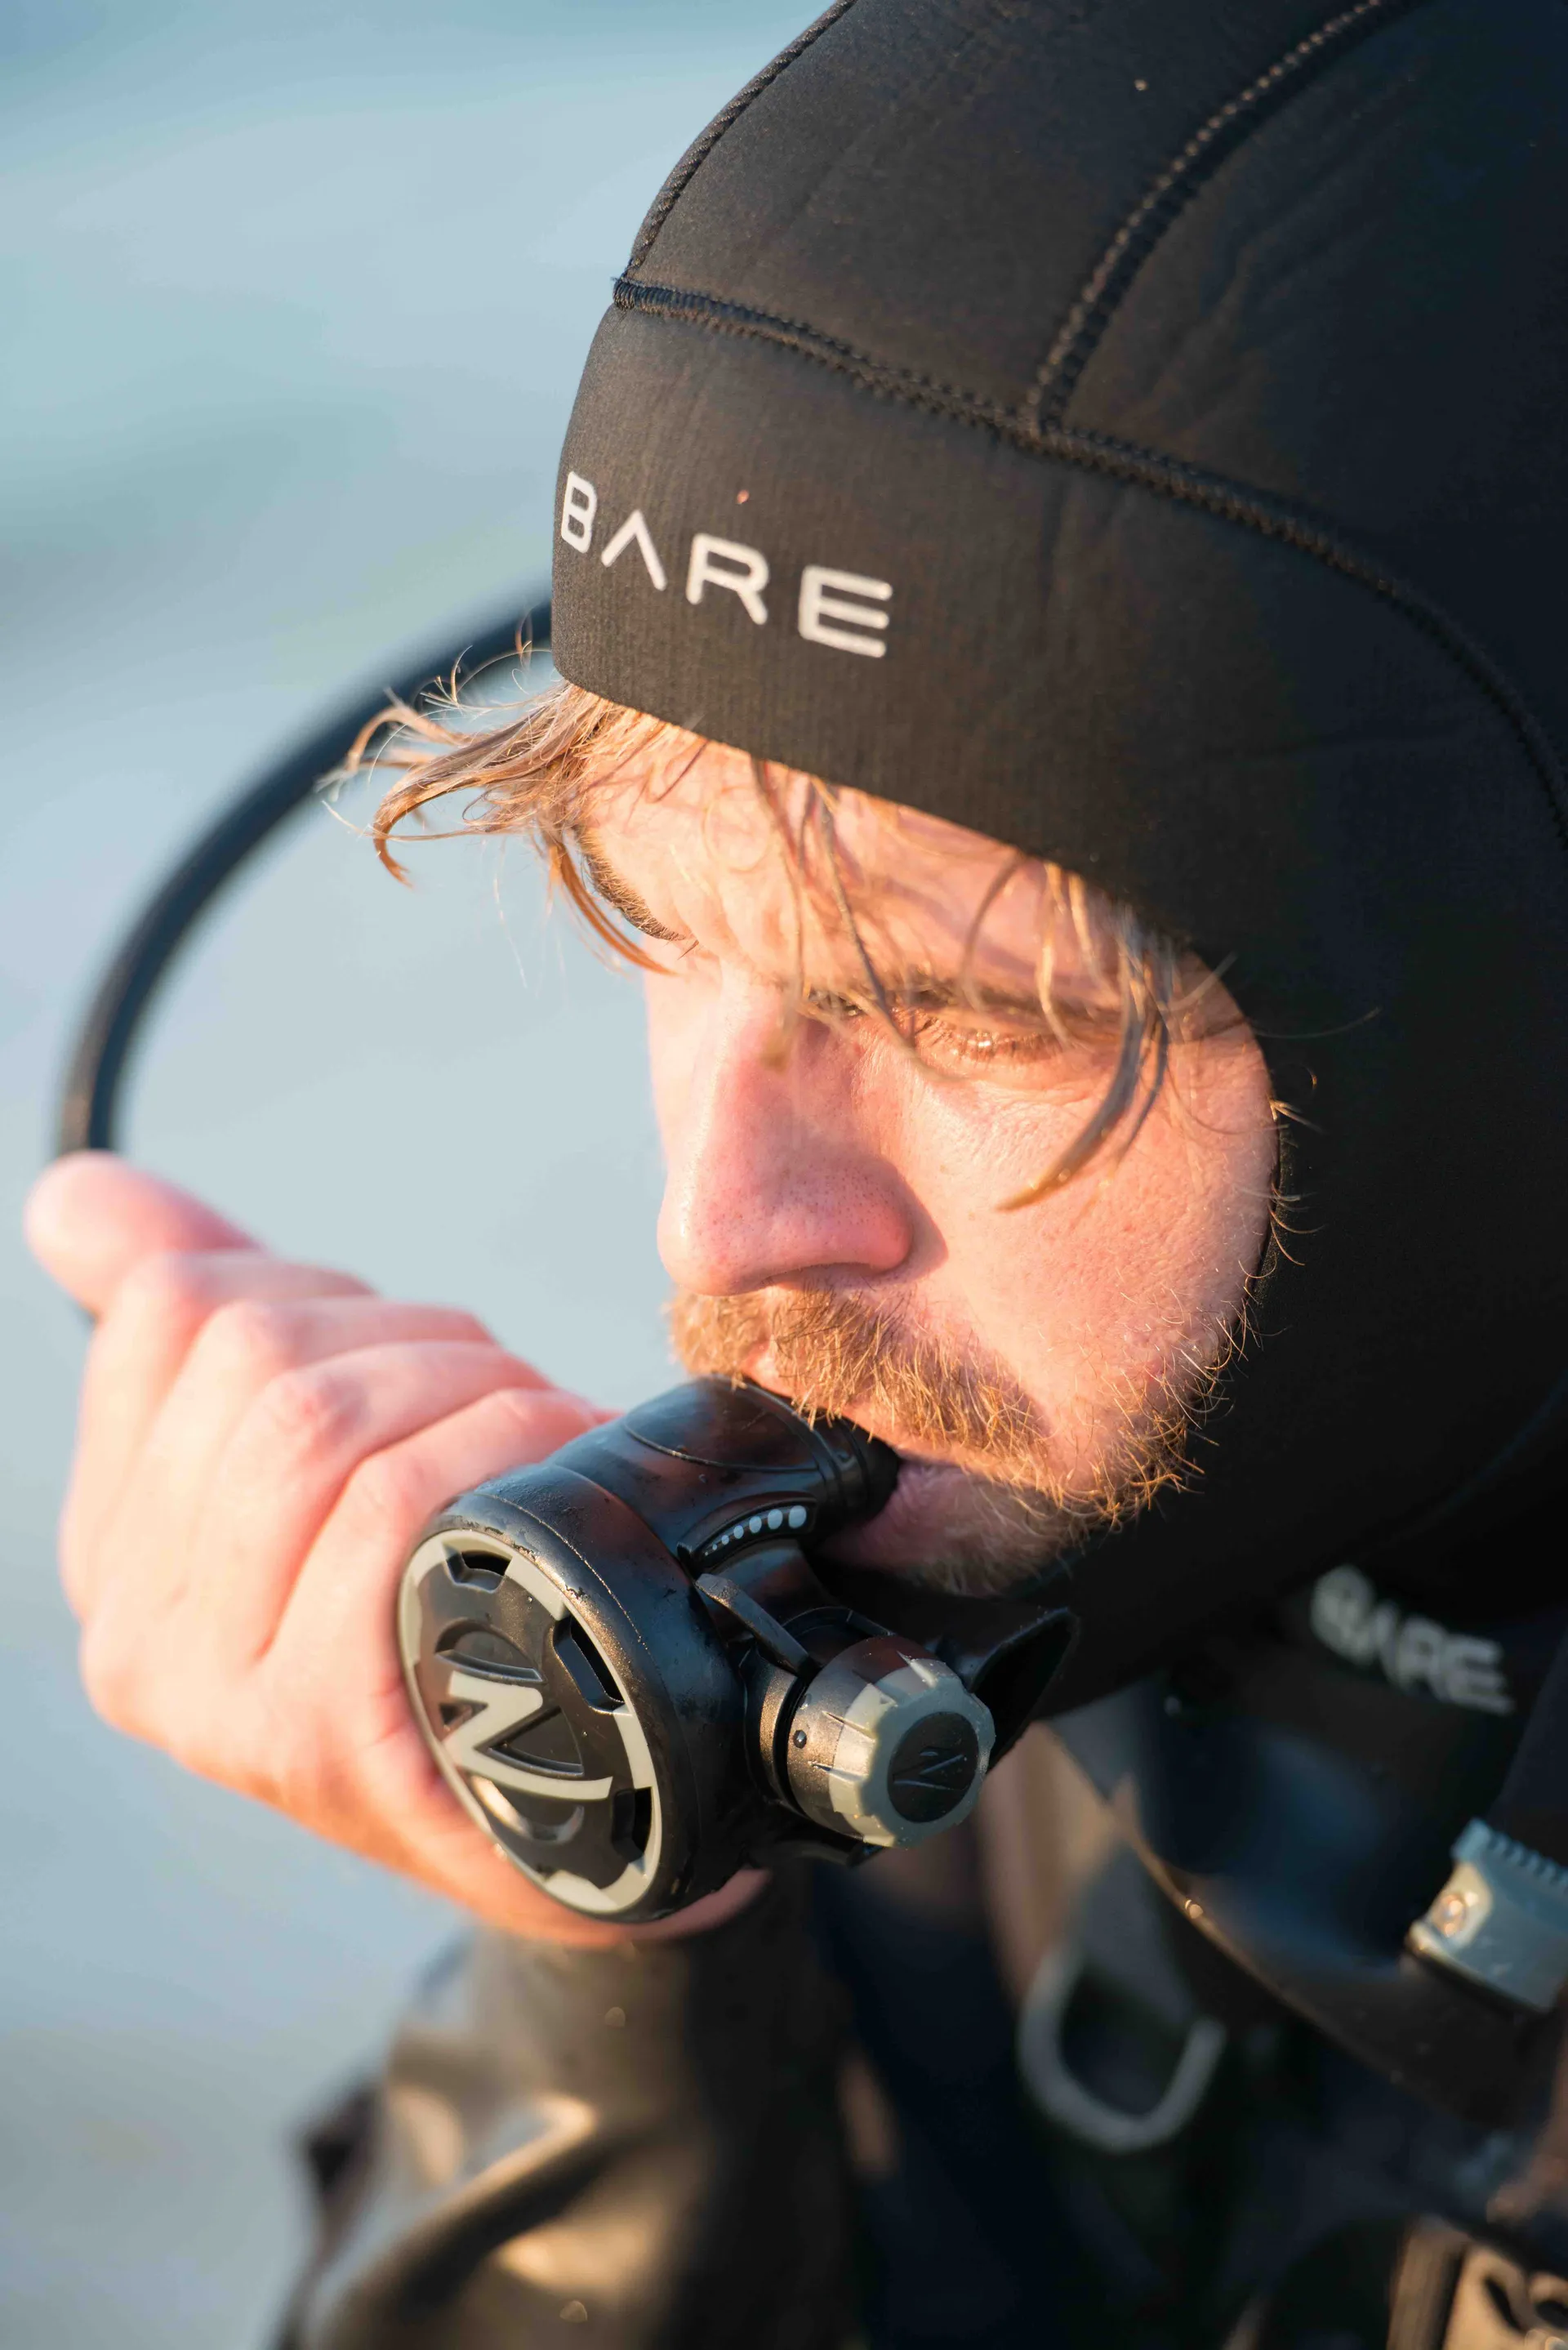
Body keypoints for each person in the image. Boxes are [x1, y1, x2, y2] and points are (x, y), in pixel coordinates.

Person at [26, 0, 1568, 2342]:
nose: (722, 1231)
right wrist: (605, 2038)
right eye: (662, 929)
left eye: (973, 1014)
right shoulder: (955, 1612)